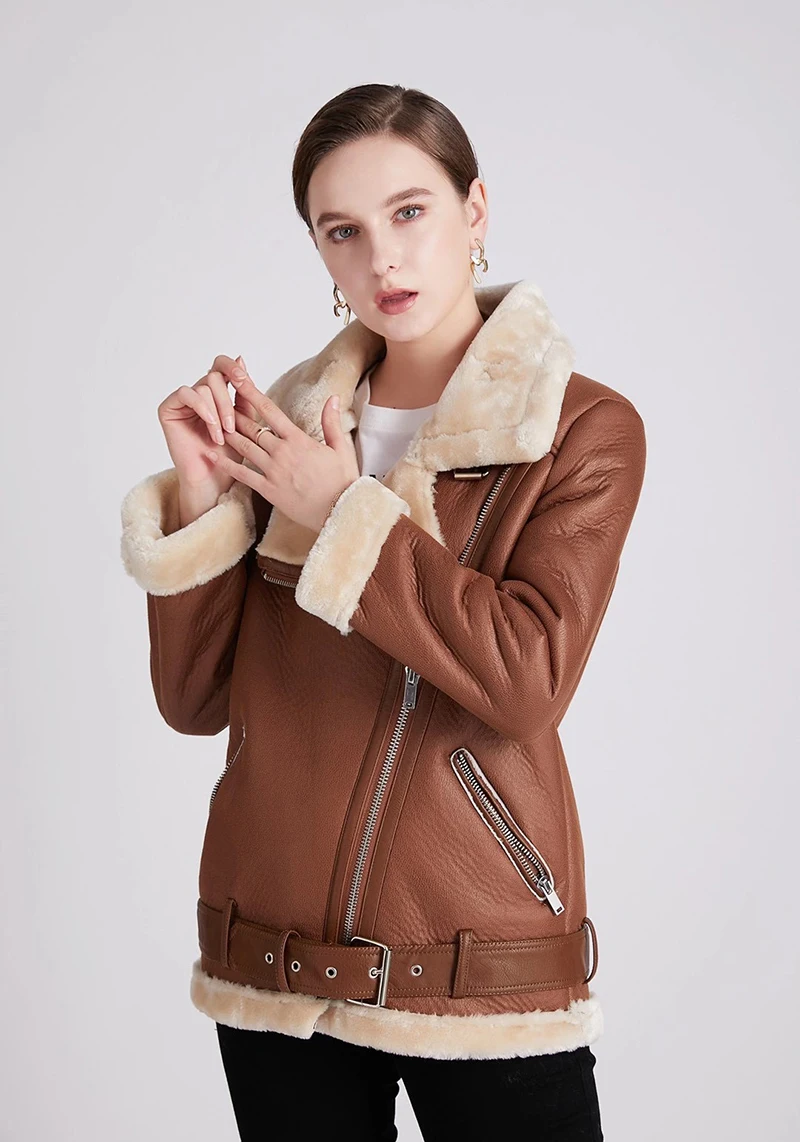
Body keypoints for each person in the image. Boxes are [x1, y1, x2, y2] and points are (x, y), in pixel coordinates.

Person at [119, 83, 646, 1140]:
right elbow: (195, 700)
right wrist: (204, 501)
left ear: (474, 208)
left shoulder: (577, 429)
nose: (381, 259)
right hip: (274, 963)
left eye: (409, 211)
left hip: (479, 968)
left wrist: (345, 514)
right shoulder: (287, 425)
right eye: (342, 231)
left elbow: (524, 679)